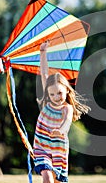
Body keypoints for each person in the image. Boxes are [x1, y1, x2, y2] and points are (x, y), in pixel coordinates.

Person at [33, 41, 90, 183]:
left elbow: (67, 122)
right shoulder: (47, 101)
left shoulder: (67, 108)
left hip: (59, 149)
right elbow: (44, 73)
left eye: (59, 93)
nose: (56, 97)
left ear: (66, 90)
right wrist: (42, 52)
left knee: (57, 180)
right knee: (47, 176)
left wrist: (61, 130)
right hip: (42, 146)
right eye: (52, 94)